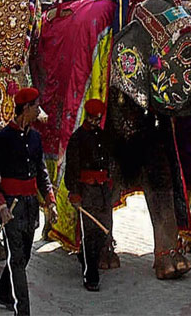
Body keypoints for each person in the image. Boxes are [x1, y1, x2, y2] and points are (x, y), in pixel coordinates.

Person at [0, 87, 57, 315]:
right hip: (11, 206)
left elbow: (41, 172)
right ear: (25, 109)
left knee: (24, 255)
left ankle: (3, 293)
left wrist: (50, 201)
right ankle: (23, 311)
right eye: (36, 106)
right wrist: (1, 206)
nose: (39, 110)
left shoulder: (36, 138)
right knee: (17, 260)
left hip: (30, 206)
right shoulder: (1, 138)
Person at [64, 98, 113, 292]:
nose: (95, 122)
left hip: (102, 191)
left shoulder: (102, 136)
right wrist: (74, 193)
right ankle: (90, 276)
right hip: (86, 191)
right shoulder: (77, 139)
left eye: (98, 119)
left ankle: (84, 255)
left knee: (104, 229)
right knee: (89, 233)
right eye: (92, 119)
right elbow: (72, 168)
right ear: (87, 116)